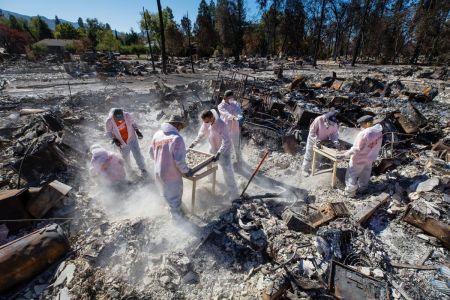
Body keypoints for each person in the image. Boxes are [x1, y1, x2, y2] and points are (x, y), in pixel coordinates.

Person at [189, 109, 240, 200]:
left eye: (207, 121)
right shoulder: (206, 123)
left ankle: (233, 193)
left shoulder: (221, 125)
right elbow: (201, 134)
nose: (206, 123)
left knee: (227, 172)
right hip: (212, 148)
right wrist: (194, 143)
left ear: (212, 117)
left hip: (224, 151)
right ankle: (211, 180)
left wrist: (219, 153)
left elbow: (226, 141)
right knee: (209, 165)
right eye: (205, 122)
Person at [149, 115, 193, 218]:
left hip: (158, 172)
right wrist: (186, 171)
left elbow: (151, 153)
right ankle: (178, 222)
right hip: (171, 175)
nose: (181, 129)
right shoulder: (176, 138)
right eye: (181, 127)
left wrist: (162, 160)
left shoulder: (157, 135)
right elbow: (179, 160)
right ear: (177, 125)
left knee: (166, 196)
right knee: (175, 198)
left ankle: (174, 212)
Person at [337, 115, 383, 198]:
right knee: (365, 173)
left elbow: (357, 148)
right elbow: (377, 146)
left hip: (359, 158)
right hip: (370, 157)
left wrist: (345, 155)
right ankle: (362, 189)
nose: (361, 126)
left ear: (368, 123)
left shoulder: (364, 133)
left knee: (352, 174)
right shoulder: (379, 132)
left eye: (362, 124)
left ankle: (350, 193)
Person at [105, 108, 147, 176]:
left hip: (132, 138)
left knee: (137, 153)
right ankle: (130, 172)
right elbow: (109, 132)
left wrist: (137, 131)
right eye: (118, 119)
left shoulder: (127, 115)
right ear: (114, 116)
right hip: (121, 142)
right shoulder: (109, 121)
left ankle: (143, 168)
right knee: (125, 157)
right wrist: (114, 139)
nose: (120, 120)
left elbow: (133, 123)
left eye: (121, 118)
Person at [301, 111, 340, 177]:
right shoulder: (318, 119)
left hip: (323, 140)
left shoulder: (334, 124)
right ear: (326, 120)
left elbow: (334, 134)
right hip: (313, 139)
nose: (331, 125)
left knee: (319, 155)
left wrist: (335, 141)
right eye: (330, 123)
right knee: (309, 154)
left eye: (332, 124)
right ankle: (305, 169)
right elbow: (312, 132)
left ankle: (315, 168)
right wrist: (316, 140)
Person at [218, 90, 244, 164]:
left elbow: (238, 111)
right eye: (230, 98)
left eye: (232, 97)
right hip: (225, 127)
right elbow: (225, 114)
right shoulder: (221, 106)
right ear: (225, 97)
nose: (232, 99)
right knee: (226, 144)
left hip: (235, 126)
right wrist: (232, 117)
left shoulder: (235, 103)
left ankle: (239, 160)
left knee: (236, 144)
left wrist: (239, 116)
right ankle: (227, 161)